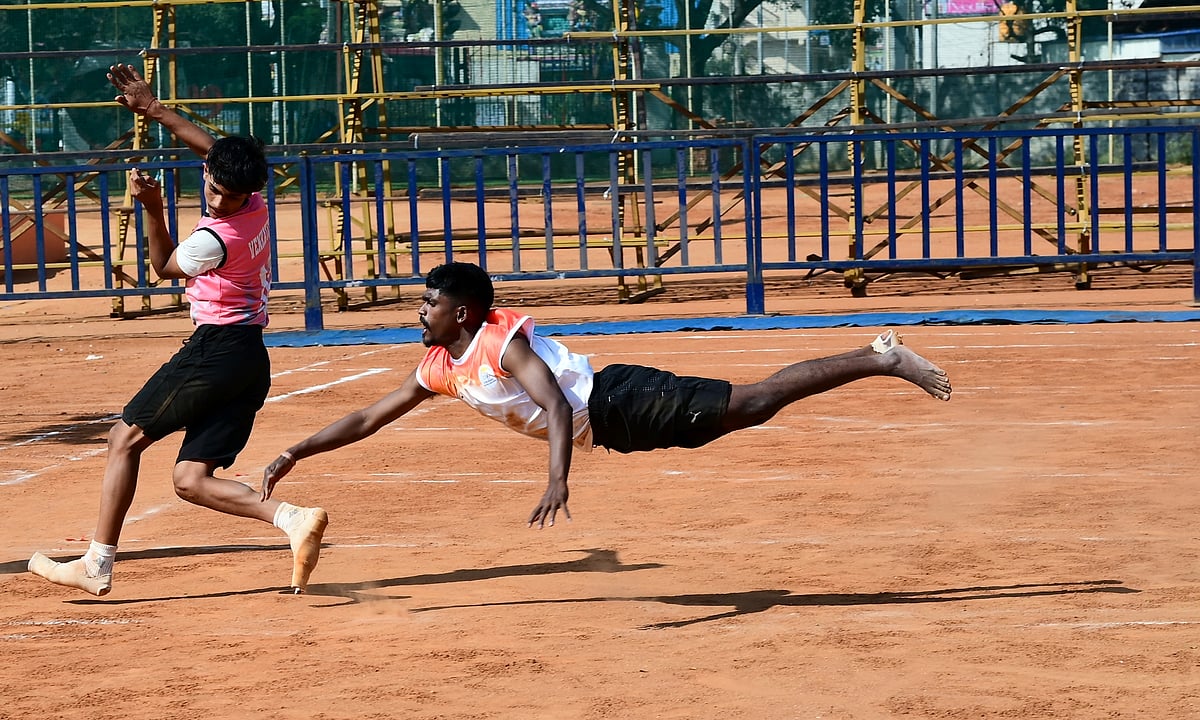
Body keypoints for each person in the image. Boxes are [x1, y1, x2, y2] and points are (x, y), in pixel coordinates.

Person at [260, 262, 952, 529]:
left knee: (755, 402)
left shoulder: (503, 343)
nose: (421, 314)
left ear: (463, 312)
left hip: (618, 400)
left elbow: (557, 405)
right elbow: (369, 415)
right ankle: (877, 357)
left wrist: (558, 479)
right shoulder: (443, 364)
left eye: (430, 306)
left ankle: (878, 356)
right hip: (616, 425)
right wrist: (297, 449)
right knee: (747, 410)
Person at [28, 64, 327, 597]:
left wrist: (152, 207)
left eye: (224, 195)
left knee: (124, 440)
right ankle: (291, 517)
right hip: (249, 358)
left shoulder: (212, 240)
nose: (215, 199)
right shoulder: (255, 202)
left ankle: (97, 562)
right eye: (212, 188)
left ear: (243, 194)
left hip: (215, 350)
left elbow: (163, 266)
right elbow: (210, 148)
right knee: (191, 480)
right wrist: (153, 108)